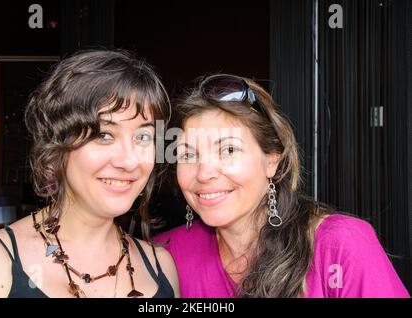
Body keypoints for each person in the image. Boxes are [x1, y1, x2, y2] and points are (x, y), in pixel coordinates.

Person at [154, 74, 410, 298]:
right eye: (188, 155)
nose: (204, 173)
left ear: (272, 162)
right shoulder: (164, 256)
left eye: (228, 150)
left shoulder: (340, 246)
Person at [0, 50, 179, 298]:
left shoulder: (162, 267)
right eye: (104, 135)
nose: (129, 161)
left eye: (143, 136)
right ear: (57, 145)